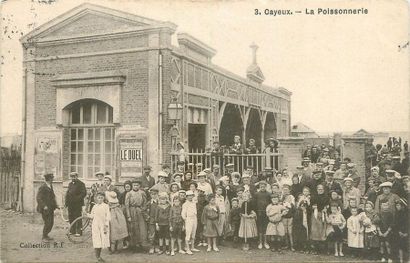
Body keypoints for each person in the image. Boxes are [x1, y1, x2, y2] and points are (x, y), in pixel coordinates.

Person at [125, 180, 148, 251]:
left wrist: (142, 209)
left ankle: (140, 244)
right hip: (132, 211)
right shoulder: (129, 194)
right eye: (134, 185)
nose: (136, 186)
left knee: (141, 228)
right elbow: (127, 205)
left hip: (139, 211)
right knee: (132, 228)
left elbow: (145, 203)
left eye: (137, 185)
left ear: (139, 186)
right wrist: (128, 216)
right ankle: (133, 245)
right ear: (132, 186)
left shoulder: (142, 193)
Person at [88, 192, 110, 262]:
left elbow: (108, 216)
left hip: (103, 225)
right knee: (96, 239)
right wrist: (87, 214)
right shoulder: (95, 206)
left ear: (104, 198)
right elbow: (92, 216)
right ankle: (98, 256)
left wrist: (106, 224)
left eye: (101, 198)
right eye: (98, 198)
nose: (100, 199)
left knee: (103, 239)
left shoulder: (106, 206)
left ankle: (99, 255)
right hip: (95, 225)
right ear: (96, 198)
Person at [36, 173, 58, 241]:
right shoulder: (43, 187)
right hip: (45, 208)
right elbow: (38, 198)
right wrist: (44, 206)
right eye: (52, 178)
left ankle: (46, 235)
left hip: (50, 207)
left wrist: (56, 205)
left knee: (51, 222)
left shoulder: (50, 185)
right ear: (48, 179)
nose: (53, 179)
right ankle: (44, 236)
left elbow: (52, 196)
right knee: (47, 222)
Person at [310, 184, 330, 254]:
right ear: (317, 190)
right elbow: (310, 206)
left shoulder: (326, 197)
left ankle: (324, 250)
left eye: (321, 189)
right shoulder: (313, 197)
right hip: (315, 215)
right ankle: (316, 249)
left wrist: (326, 208)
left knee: (323, 231)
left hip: (323, 214)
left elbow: (328, 205)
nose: (320, 190)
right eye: (319, 189)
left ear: (323, 190)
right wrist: (312, 207)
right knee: (315, 231)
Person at [65, 172, 87, 236]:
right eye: (71, 177)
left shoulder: (81, 184)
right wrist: (66, 203)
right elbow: (67, 194)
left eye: (74, 176)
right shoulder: (70, 184)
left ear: (77, 176)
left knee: (77, 217)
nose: (73, 178)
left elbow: (84, 193)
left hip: (78, 204)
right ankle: (72, 231)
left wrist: (76, 199)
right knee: (71, 217)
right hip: (70, 204)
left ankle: (79, 232)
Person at [253, 180, 271, 250]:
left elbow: (270, 204)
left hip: (266, 213)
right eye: (261, 186)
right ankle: (260, 242)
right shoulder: (256, 194)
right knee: (260, 227)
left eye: (264, 186)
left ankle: (265, 242)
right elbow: (254, 204)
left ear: (266, 186)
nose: (262, 187)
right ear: (259, 186)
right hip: (259, 213)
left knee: (266, 227)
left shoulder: (269, 194)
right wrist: (255, 212)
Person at [293, 187, 311, 252]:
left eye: (307, 191)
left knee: (307, 230)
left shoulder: (310, 198)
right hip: (301, 216)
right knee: (301, 230)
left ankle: (307, 246)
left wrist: (307, 208)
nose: (305, 192)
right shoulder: (301, 198)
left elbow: (311, 208)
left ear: (309, 192)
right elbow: (297, 207)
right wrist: (301, 208)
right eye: (304, 191)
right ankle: (301, 246)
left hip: (308, 215)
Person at [181, 190, 199, 254]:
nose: (190, 197)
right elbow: (183, 214)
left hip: (194, 219)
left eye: (191, 196)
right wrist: (186, 220)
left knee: (193, 234)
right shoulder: (185, 204)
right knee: (188, 234)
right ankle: (187, 249)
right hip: (188, 219)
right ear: (186, 197)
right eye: (189, 196)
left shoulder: (194, 203)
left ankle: (192, 247)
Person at [392, 199, 408, 263]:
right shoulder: (397, 214)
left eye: (398, 205)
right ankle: (401, 260)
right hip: (399, 233)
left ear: (403, 206)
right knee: (400, 246)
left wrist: (407, 233)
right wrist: (399, 231)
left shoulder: (407, 214)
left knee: (406, 246)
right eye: (396, 205)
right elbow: (395, 224)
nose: (397, 207)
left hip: (407, 232)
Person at [281, 184, 295, 251]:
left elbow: (293, 206)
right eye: (284, 190)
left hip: (290, 216)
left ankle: (292, 246)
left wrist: (288, 206)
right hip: (284, 216)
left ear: (289, 190)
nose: (285, 191)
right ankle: (286, 245)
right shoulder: (282, 197)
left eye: (286, 189)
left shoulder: (291, 197)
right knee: (285, 231)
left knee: (290, 232)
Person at [147, 188, 159, 254]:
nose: (153, 196)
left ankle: (157, 246)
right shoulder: (149, 203)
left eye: (155, 194)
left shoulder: (159, 202)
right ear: (150, 195)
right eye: (152, 194)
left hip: (159, 220)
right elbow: (143, 211)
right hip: (151, 221)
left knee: (158, 233)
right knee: (152, 234)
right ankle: (151, 247)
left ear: (157, 195)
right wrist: (147, 217)